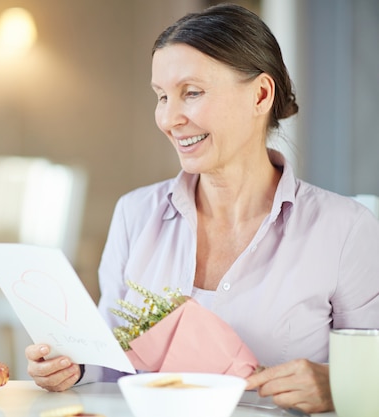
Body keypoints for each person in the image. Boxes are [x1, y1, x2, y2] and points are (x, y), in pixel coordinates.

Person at [25, 3, 379, 413]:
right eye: (161, 97)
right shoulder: (134, 215)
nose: (169, 118)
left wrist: (338, 385)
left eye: (191, 93)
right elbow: (108, 360)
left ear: (261, 95)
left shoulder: (346, 229)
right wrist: (72, 366)